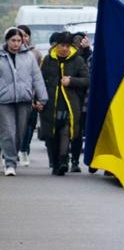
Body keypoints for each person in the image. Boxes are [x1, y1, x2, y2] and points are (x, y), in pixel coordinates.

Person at [39, 32, 89, 176]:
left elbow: (87, 80)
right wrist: (38, 100)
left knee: (66, 133)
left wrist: (71, 81)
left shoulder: (78, 60)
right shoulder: (47, 60)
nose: (65, 49)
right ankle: (55, 163)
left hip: (70, 105)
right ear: (56, 46)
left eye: (67, 46)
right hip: (51, 105)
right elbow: (39, 81)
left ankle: (63, 161)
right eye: (62, 45)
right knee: (52, 135)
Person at [0, 27, 47, 176]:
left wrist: (42, 98)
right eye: (13, 40)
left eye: (19, 41)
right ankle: (10, 163)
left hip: (24, 100)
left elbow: (37, 78)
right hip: (4, 101)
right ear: (7, 41)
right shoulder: (1, 56)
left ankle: (11, 155)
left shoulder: (29, 57)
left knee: (20, 133)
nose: (16, 44)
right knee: (8, 132)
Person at [16, 25, 42, 166]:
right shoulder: (6, 53)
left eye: (25, 35)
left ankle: (24, 149)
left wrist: (38, 98)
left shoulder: (36, 53)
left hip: (30, 96)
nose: (23, 39)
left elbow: (40, 77)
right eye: (20, 36)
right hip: (12, 97)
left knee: (29, 126)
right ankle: (12, 152)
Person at [68, 32, 92, 173]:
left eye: (80, 43)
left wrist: (88, 50)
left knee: (89, 133)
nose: (78, 46)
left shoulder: (90, 56)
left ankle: (91, 162)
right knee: (75, 133)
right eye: (75, 44)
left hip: (88, 102)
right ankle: (74, 161)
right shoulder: (69, 58)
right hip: (73, 100)